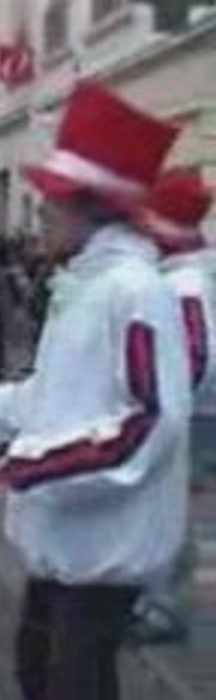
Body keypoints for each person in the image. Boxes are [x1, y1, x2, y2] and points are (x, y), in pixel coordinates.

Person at [0, 82, 192, 700]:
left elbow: (152, 422)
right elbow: (49, 400)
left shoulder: (134, 290)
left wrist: (34, 464)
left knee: (72, 685)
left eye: (51, 202)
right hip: (64, 543)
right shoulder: (82, 286)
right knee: (39, 672)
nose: (38, 215)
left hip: (103, 550)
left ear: (90, 208)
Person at [128, 168, 216, 644]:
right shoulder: (202, 269)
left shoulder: (183, 282)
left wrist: (162, 403)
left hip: (192, 414)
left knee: (171, 509)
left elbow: (198, 354)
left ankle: (162, 608)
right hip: (202, 411)